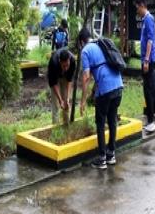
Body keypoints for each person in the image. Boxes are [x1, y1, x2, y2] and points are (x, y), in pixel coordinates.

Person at [79, 28, 123, 169]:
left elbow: (86, 77)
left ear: (81, 41)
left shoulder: (85, 50)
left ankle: (102, 158)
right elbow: (96, 71)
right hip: (118, 85)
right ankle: (111, 155)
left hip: (106, 89)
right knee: (112, 121)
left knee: (100, 122)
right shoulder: (101, 44)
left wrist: (83, 101)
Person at [135, 0, 155, 132]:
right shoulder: (145, 19)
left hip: (148, 60)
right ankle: (150, 118)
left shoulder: (148, 19)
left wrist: (147, 60)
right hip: (145, 59)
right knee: (146, 89)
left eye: (137, 7)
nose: (136, 10)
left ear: (142, 5)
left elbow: (150, 40)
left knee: (148, 90)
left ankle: (151, 121)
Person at [47, 48, 76, 125]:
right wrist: (60, 100)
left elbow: (69, 80)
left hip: (65, 78)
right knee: (55, 103)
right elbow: (53, 83)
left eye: (67, 65)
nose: (66, 68)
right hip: (55, 78)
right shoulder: (53, 62)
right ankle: (55, 125)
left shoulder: (73, 61)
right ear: (60, 62)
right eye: (63, 66)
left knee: (66, 103)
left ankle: (67, 124)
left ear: (69, 60)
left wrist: (67, 98)